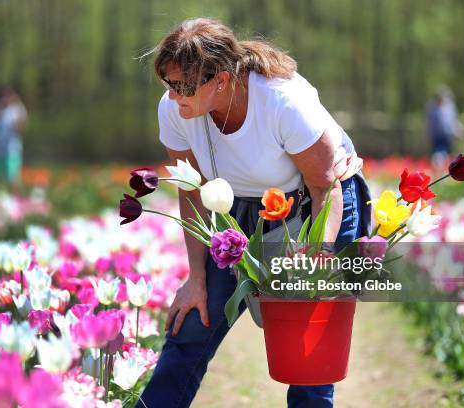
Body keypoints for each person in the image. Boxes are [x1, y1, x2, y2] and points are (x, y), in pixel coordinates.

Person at [137, 18, 372, 408]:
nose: (175, 96)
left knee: (307, 339)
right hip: (238, 208)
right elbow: (192, 193)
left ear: (223, 81)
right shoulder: (174, 110)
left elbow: (325, 186)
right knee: (193, 323)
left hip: (319, 199)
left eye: (185, 87)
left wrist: (318, 261)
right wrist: (196, 277)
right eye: (169, 83)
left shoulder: (280, 102)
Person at [0, 86, 28, 193]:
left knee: (13, 176)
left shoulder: (18, 108)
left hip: (12, 148)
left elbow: (21, 128)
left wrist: (17, 110)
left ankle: (14, 200)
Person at [426, 86, 463, 169]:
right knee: (438, 153)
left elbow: (453, 120)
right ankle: (438, 169)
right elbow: (429, 124)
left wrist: (459, 130)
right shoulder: (431, 108)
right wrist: (428, 135)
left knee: (447, 153)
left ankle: (444, 169)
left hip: (448, 134)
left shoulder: (449, 107)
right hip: (437, 136)